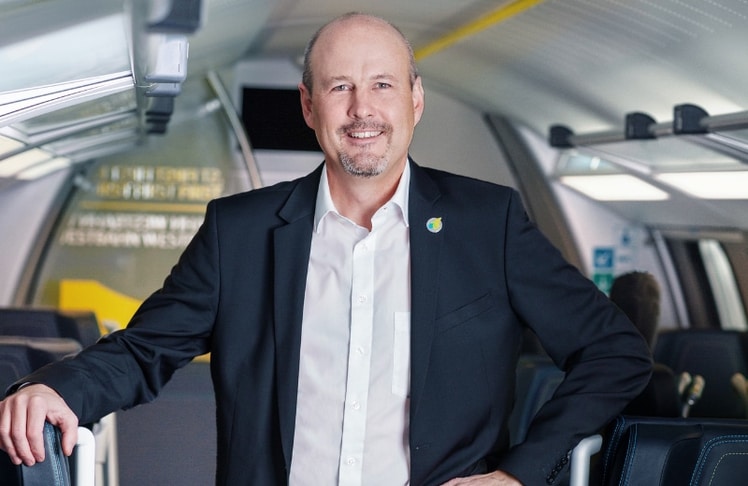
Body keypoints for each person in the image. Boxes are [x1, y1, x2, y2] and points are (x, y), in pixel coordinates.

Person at [0, 12, 652, 486]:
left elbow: (614, 352)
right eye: (340, 87)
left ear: (416, 99)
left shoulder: (489, 223)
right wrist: (56, 389)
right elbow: (144, 350)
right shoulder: (240, 232)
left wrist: (519, 473)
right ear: (309, 106)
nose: (362, 109)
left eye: (382, 85)